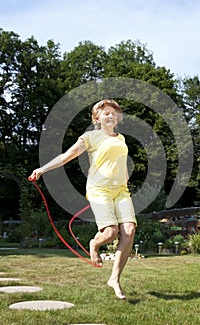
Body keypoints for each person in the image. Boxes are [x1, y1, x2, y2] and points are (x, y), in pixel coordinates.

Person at [30, 99, 137, 300]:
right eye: (105, 113)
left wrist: (124, 177)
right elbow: (66, 156)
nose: (110, 115)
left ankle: (114, 278)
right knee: (111, 232)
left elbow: (120, 163)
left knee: (129, 231)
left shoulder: (121, 139)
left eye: (113, 112)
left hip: (121, 190)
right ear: (97, 118)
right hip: (99, 189)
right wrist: (42, 169)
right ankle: (94, 245)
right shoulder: (90, 137)